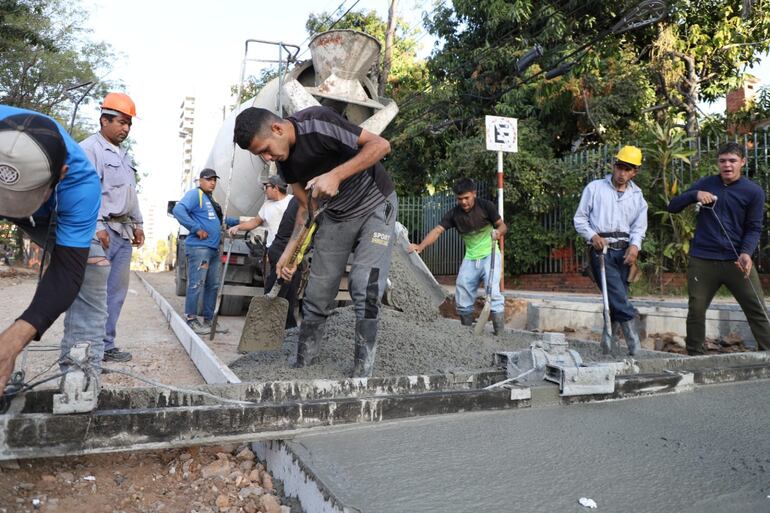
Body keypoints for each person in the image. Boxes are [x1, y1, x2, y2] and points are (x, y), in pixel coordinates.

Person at [233, 105, 397, 377]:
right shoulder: (284, 163)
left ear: (277, 128)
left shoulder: (318, 122)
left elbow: (381, 145)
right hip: (335, 215)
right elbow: (304, 206)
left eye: (264, 149)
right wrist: (289, 252)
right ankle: (303, 366)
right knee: (317, 294)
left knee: (364, 285)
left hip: (375, 206)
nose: (266, 157)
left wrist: (336, 175)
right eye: (259, 154)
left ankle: (362, 374)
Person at [0, 106, 101, 396]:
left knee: (93, 267)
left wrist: (15, 339)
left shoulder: (81, 184)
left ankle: (79, 384)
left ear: (61, 174)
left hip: (48, 216)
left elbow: (68, 270)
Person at [667, 142, 770, 355]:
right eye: (723, 161)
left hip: (737, 261)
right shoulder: (706, 184)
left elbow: (754, 227)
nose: (727, 165)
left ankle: (767, 350)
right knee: (696, 309)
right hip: (703, 260)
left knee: (757, 308)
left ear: (743, 162)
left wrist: (746, 253)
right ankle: (695, 355)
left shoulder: (753, 192)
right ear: (718, 163)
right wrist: (694, 195)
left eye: (732, 160)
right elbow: (673, 206)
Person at [81, 92, 142, 363]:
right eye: (121, 122)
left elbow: (131, 193)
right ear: (103, 120)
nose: (126, 128)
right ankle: (90, 350)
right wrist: (96, 226)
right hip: (102, 232)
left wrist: (138, 223)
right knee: (95, 295)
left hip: (123, 232)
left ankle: (106, 347)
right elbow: (85, 192)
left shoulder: (125, 155)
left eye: (129, 124)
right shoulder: (90, 149)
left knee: (116, 295)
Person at [574, 145, 648, 355]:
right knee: (617, 295)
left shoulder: (637, 196)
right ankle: (634, 343)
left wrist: (634, 247)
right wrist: (593, 236)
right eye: (620, 167)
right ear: (614, 166)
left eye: (628, 169)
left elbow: (639, 226)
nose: (622, 173)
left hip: (624, 251)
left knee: (615, 297)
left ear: (635, 172)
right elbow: (580, 219)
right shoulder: (595, 188)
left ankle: (607, 345)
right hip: (601, 251)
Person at [408, 178, 507, 334]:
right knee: (462, 289)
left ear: (474, 194)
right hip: (470, 257)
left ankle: (499, 334)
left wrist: (498, 232)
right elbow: (437, 231)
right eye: (460, 199)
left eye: (466, 198)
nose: (463, 202)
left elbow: (502, 225)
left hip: (490, 255)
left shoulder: (486, 207)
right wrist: (420, 246)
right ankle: (466, 333)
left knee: (492, 290)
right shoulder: (454, 214)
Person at [172, 169, 239, 334]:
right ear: (200, 180)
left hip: (214, 249)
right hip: (200, 248)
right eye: (209, 179)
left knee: (212, 285)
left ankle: (209, 321)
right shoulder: (196, 195)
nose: (213, 183)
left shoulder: (211, 199)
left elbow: (221, 220)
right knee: (196, 284)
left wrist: (242, 221)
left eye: (215, 180)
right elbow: (178, 210)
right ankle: (191, 320)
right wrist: (196, 229)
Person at [262, 196, 302, 329]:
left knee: (287, 302)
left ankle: (287, 335)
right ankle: (262, 337)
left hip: (292, 254)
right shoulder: (303, 200)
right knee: (275, 302)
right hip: (283, 252)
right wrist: (290, 257)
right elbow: (300, 230)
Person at [227, 174, 293, 247]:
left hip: (288, 248)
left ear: (275, 188)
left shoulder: (292, 201)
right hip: (271, 248)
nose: (264, 190)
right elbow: (255, 222)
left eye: (267, 187)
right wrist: (237, 227)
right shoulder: (267, 205)